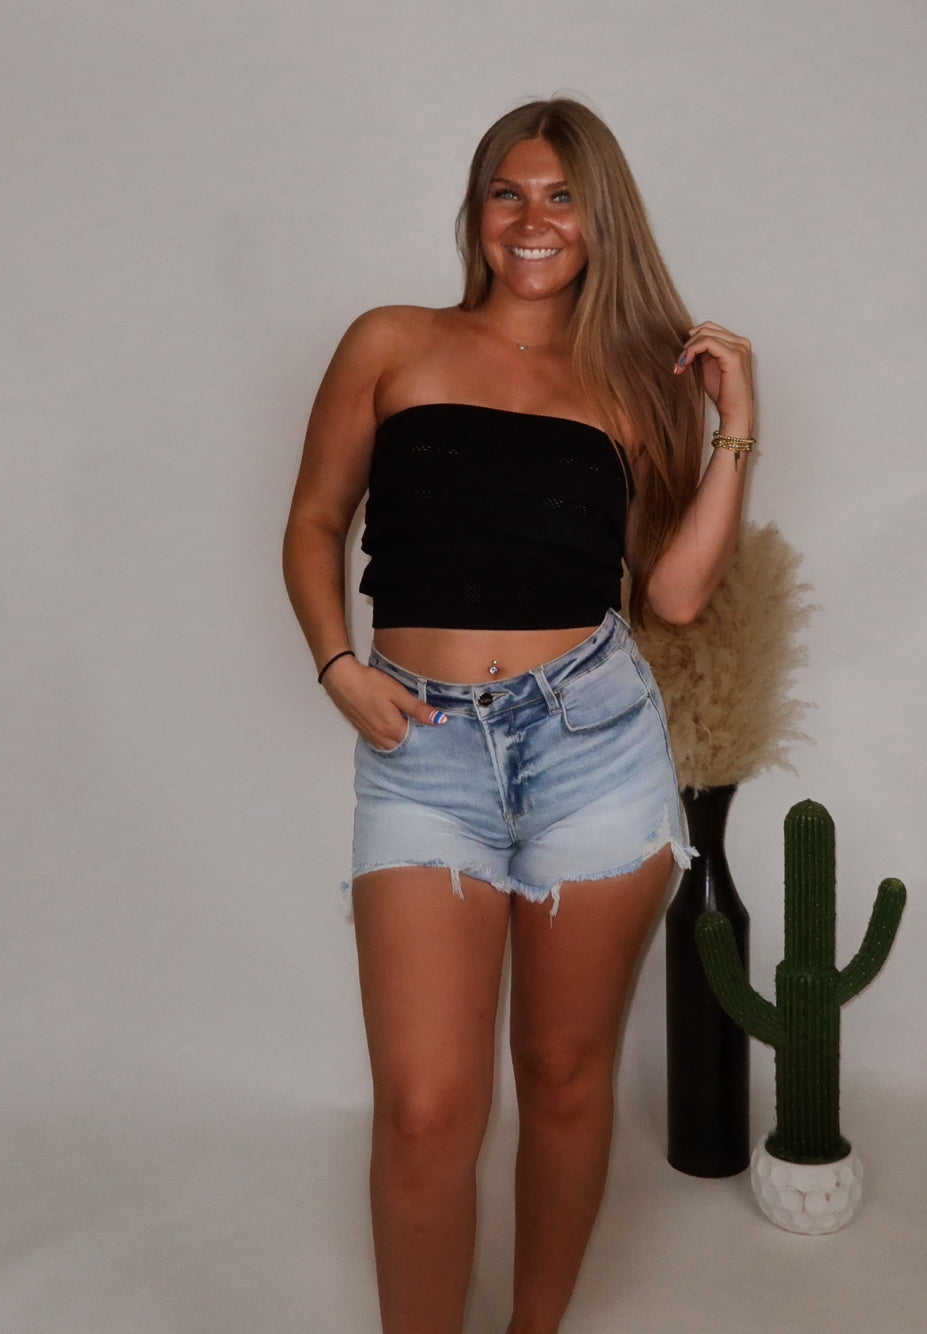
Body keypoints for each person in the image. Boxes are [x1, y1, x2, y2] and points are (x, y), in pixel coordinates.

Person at [283, 97, 755, 1334]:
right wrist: (336, 663)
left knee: (559, 1073)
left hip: (591, 744)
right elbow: (315, 520)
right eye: (508, 191)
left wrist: (735, 428)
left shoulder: (629, 387)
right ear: (476, 209)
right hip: (420, 749)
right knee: (425, 1108)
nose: (530, 219)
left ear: (600, 222)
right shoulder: (392, 340)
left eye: (560, 197)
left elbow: (674, 594)